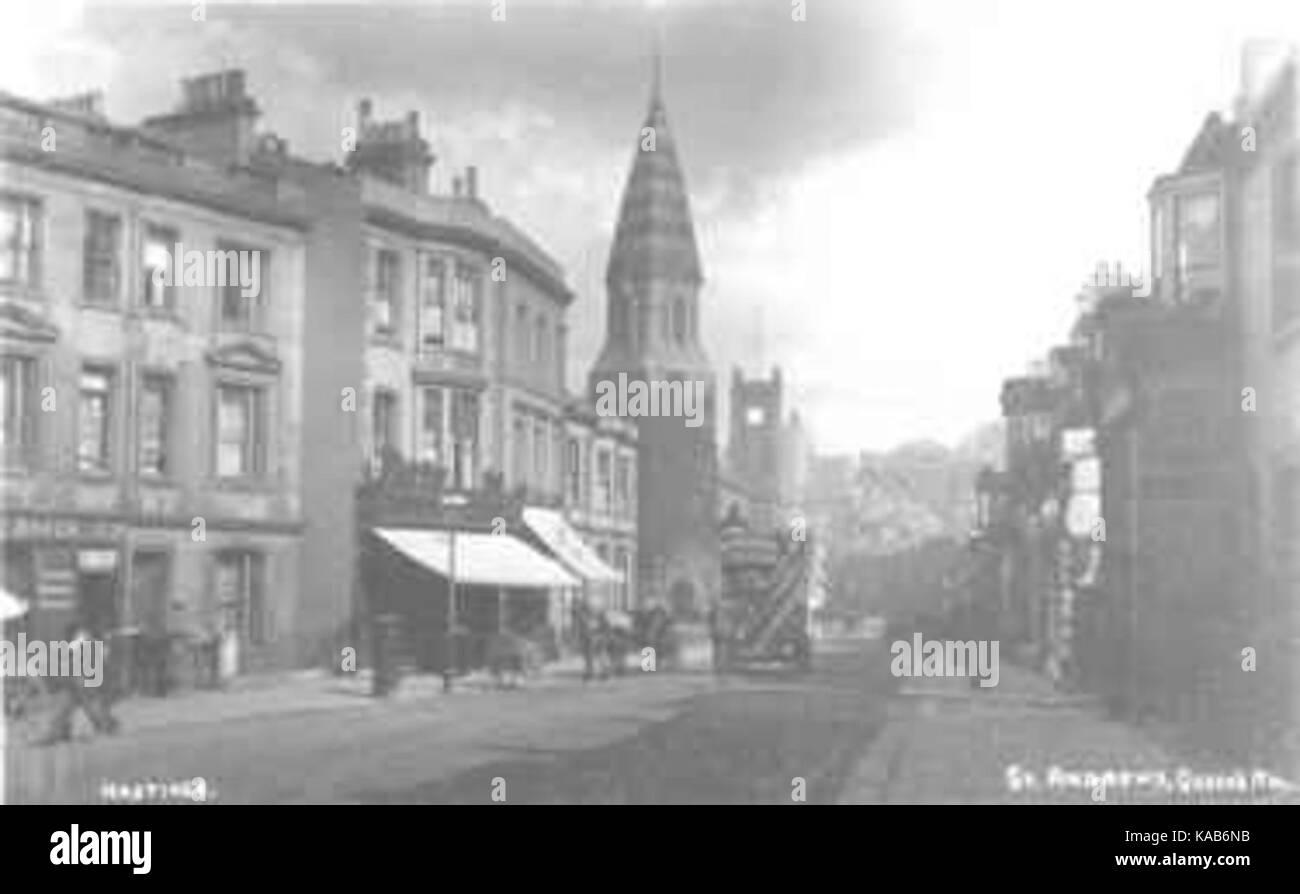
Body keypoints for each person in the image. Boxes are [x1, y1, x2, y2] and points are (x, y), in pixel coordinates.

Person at [36, 622, 119, 745]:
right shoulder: (85, 641)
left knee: (80, 702)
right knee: (72, 703)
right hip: (80, 677)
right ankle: (58, 731)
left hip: (82, 677)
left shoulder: (83, 640)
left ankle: (57, 732)